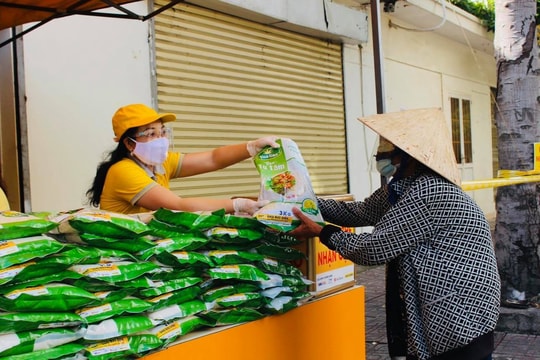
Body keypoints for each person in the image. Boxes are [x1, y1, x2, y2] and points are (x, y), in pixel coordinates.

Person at [289, 108, 500, 360]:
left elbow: (373, 249)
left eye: (387, 151)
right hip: (450, 307)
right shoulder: (403, 188)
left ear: (409, 157)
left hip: (458, 311)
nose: (380, 156)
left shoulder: (429, 192)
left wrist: (322, 232)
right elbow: (360, 212)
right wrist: (304, 202)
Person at [86, 103, 278, 215]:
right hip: (124, 253)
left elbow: (212, 159)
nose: (160, 140)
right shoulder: (123, 171)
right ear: (129, 144)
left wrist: (251, 147)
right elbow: (178, 207)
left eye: (162, 132)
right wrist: (238, 204)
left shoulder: (159, 163)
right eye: (151, 133)